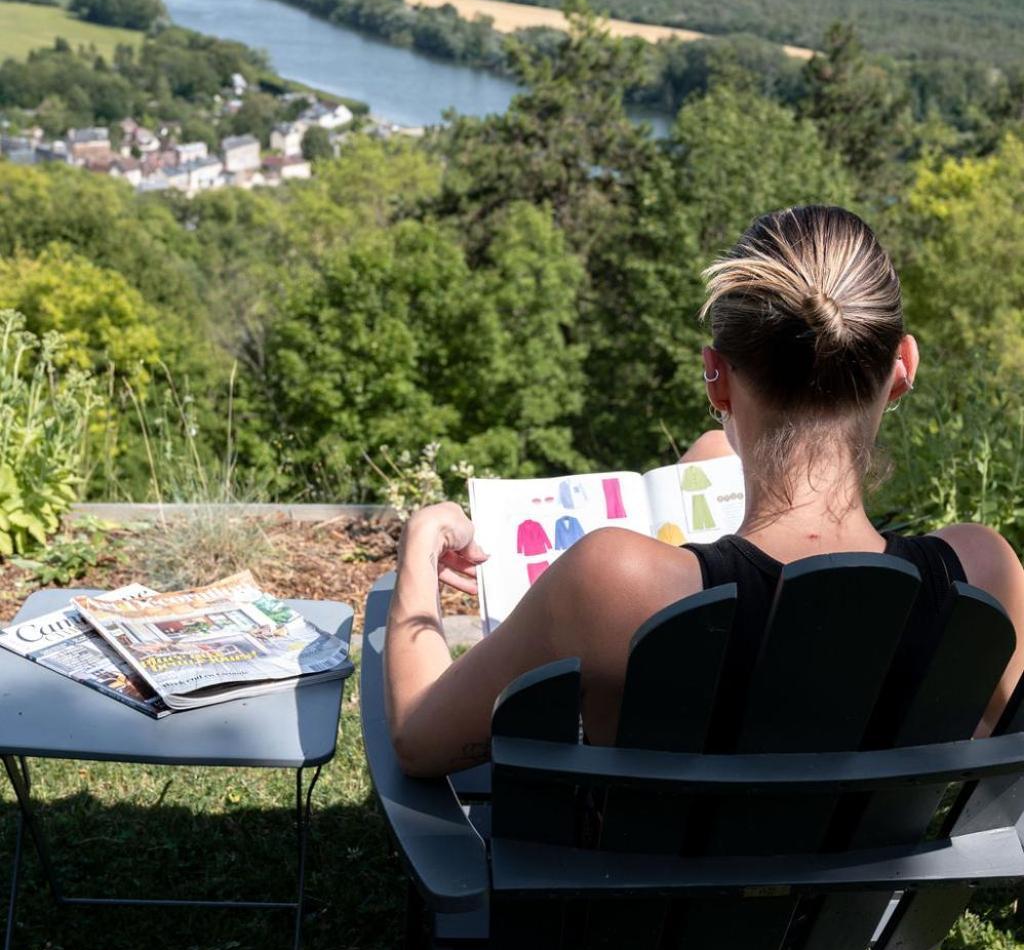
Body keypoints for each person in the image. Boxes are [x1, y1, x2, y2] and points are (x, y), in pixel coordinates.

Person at [385, 205, 1024, 778]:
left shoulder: (615, 581)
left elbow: (421, 741)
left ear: (716, 379)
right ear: (902, 369)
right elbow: (1002, 738)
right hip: (859, 907)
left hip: (645, 904)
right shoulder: (980, 572)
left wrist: (421, 542)